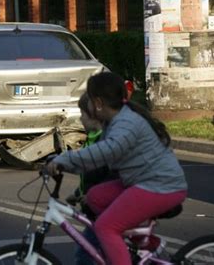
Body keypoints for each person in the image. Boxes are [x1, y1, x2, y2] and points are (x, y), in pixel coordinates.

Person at [46, 72, 187, 265]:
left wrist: (64, 160)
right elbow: (95, 156)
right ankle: (143, 243)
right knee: (95, 197)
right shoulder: (117, 120)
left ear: (97, 103)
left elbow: (104, 152)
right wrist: (63, 162)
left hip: (161, 186)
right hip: (142, 181)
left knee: (105, 227)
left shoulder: (126, 124)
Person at [67, 92, 117, 265]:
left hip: (105, 210)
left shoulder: (104, 142)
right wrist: (78, 193)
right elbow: (90, 177)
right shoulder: (91, 140)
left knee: (85, 255)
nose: (80, 120)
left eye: (83, 115)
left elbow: (108, 177)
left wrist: (92, 196)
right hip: (96, 209)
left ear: (95, 117)